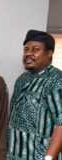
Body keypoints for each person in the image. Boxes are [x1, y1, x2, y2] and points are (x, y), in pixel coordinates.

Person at [7, 29, 62, 160]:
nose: (28, 54)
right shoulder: (21, 79)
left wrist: (48, 158)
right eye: (26, 49)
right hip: (14, 154)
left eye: (35, 49)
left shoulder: (56, 80)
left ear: (49, 53)